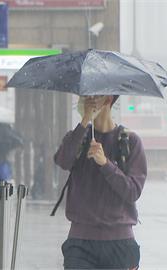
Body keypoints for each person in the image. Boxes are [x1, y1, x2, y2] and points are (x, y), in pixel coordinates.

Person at [54, 95, 147, 270]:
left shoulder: (131, 142)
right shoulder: (78, 137)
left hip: (120, 244)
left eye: (93, 95)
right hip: (80, 243)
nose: (85, 100)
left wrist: (105, 164)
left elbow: (133, 191)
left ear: (108, 99)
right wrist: (84, 122)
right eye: (84, 96)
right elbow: (63, 161)